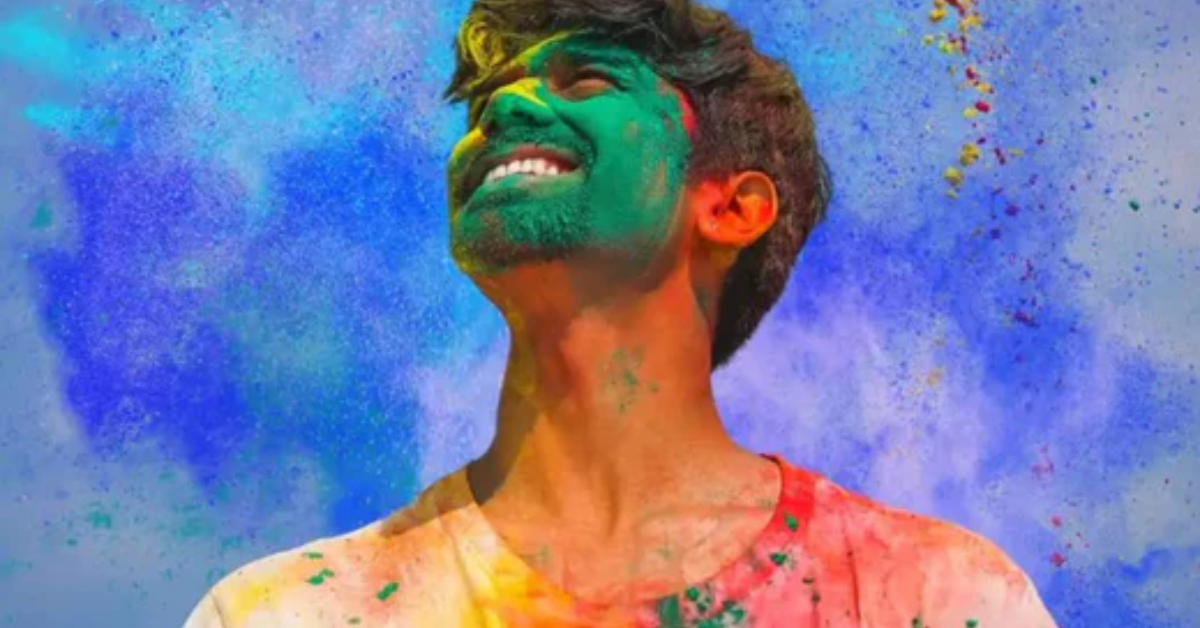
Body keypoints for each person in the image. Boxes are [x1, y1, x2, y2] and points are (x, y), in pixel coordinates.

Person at [184, 0, 1060, 626]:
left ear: (733, 207)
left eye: (587, 79)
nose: (505, 108)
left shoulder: (936, 598)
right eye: (485, 101)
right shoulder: (288, 612)